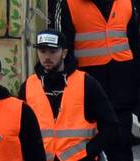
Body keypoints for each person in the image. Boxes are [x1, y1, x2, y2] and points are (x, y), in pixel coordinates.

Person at [55, 0, 137, 161]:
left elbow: (134, 40)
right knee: (92, 142)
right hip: (88, 80)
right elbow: (62, 46)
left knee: (122, 139)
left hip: (121, 79)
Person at [20, 32, 115, 161]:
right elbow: (19, 130)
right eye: (42, 51)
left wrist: (89, 152)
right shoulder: (28, 86)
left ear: (64, 53)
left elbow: (111, 126)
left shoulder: (86, 83)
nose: (46, 57)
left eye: (53, 51)